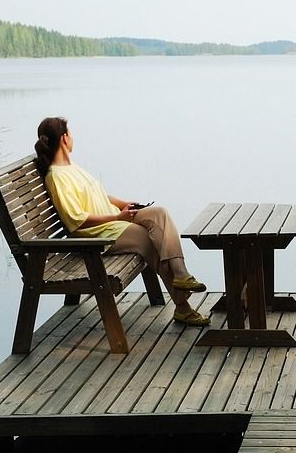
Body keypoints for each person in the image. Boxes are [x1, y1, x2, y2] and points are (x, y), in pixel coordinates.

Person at [34, 116, 210, 326]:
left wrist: (123, 204)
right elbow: (77, 221)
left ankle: (181, 273)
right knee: (149, 240)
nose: (73, 137)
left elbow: (100, 195)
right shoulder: (57, 177)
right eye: (70, 133)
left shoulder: (73, 168)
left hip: (116, 220)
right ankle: (183, 307)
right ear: (64, 138)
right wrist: (118, 216)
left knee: (159, 214)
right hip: (100, 234)